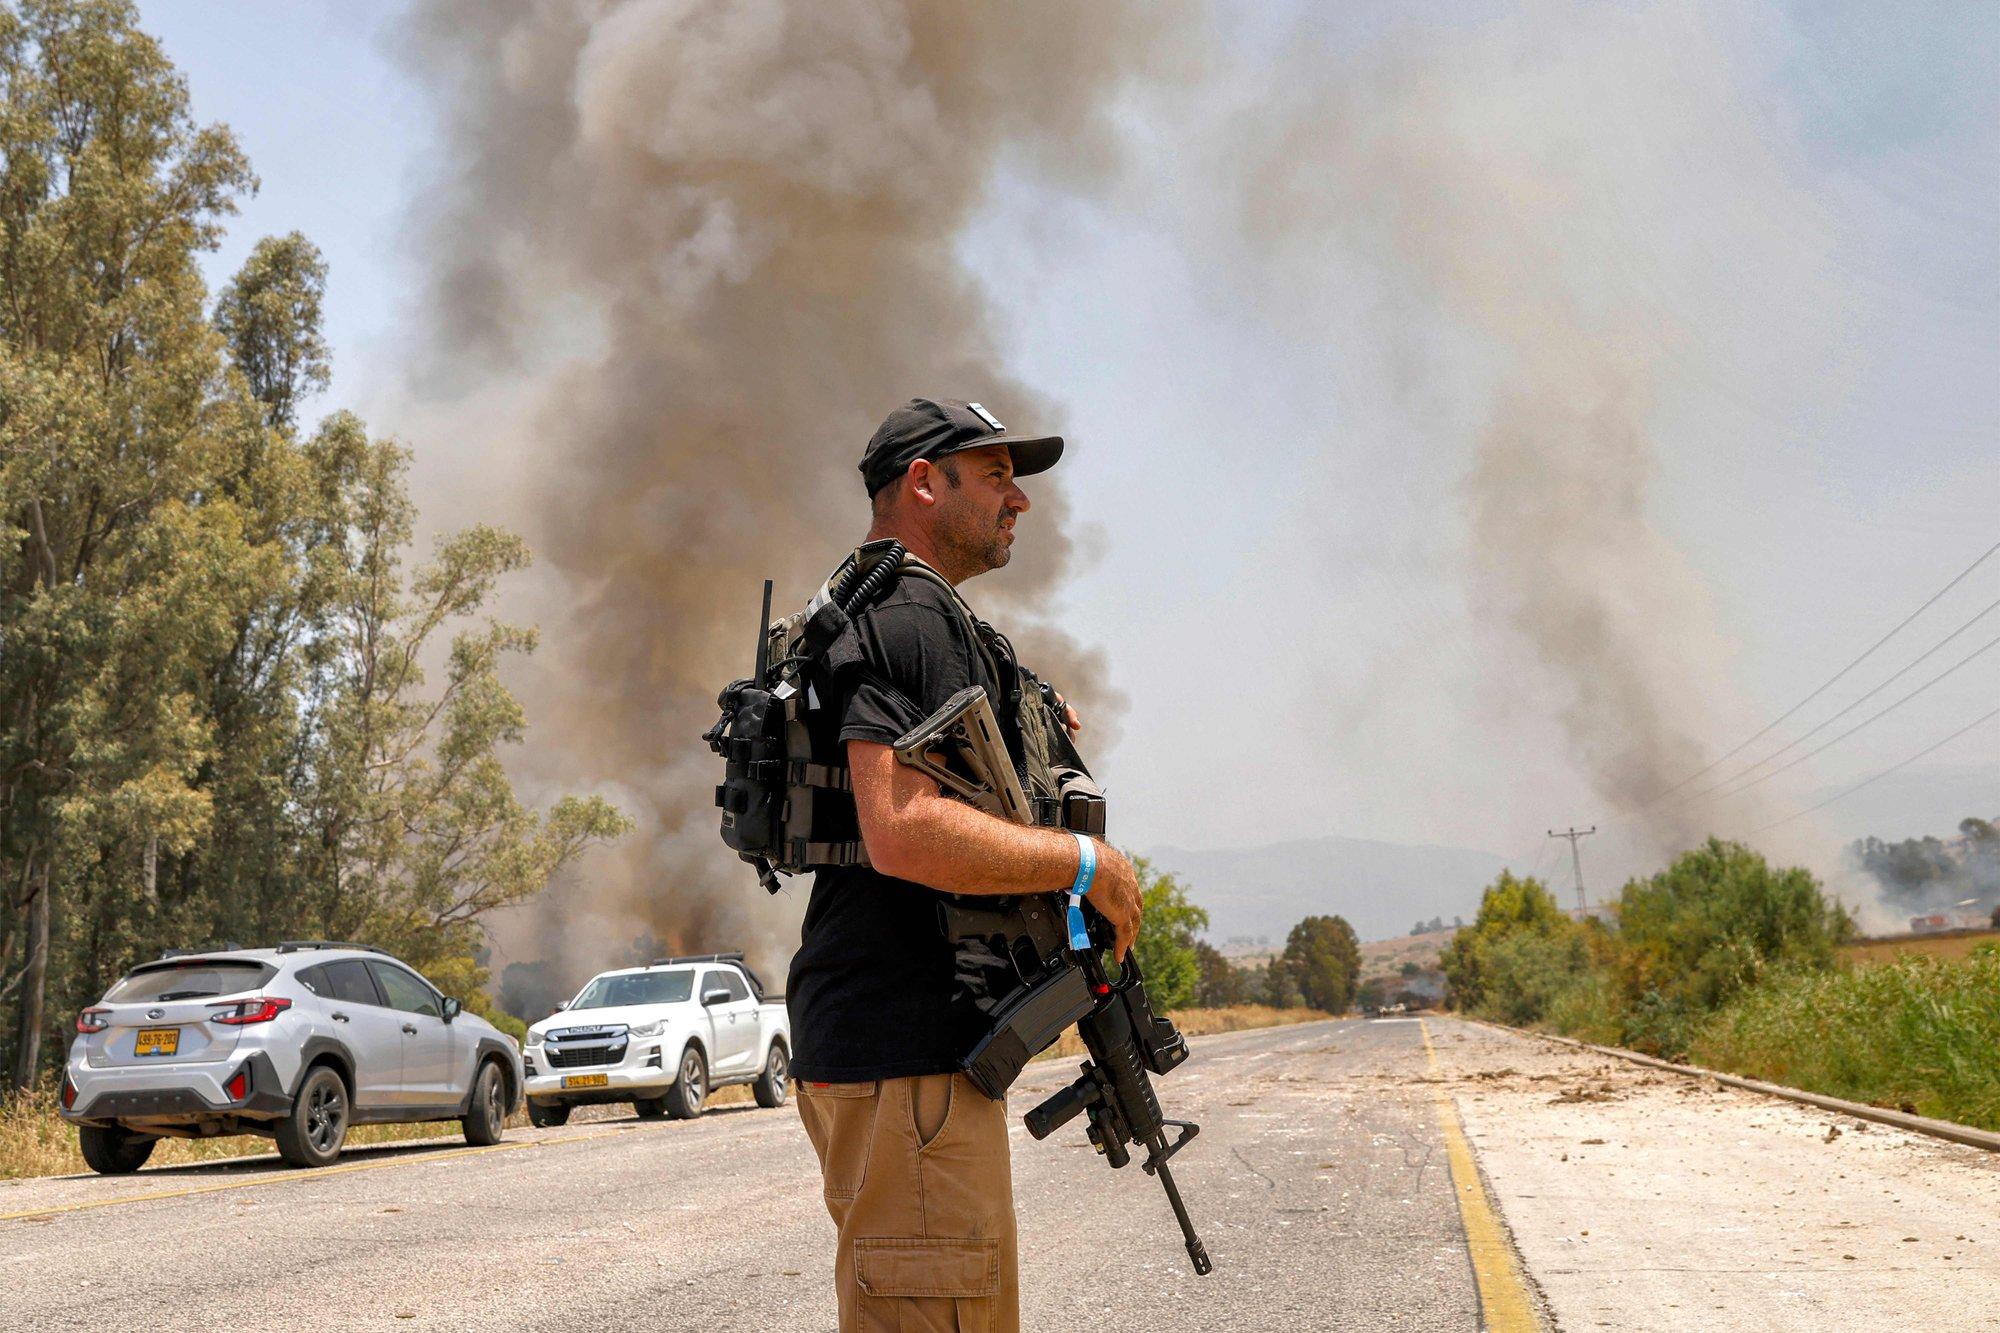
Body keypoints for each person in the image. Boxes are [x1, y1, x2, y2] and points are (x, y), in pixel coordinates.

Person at [785, 397, 1144, 1333]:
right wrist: (1082, 861)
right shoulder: (910, 613)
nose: (1017, 500)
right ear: (922, 482)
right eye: (993, 475)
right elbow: (901, 825)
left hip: (897, 1061)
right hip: (905, 1064)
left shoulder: (889, 606)